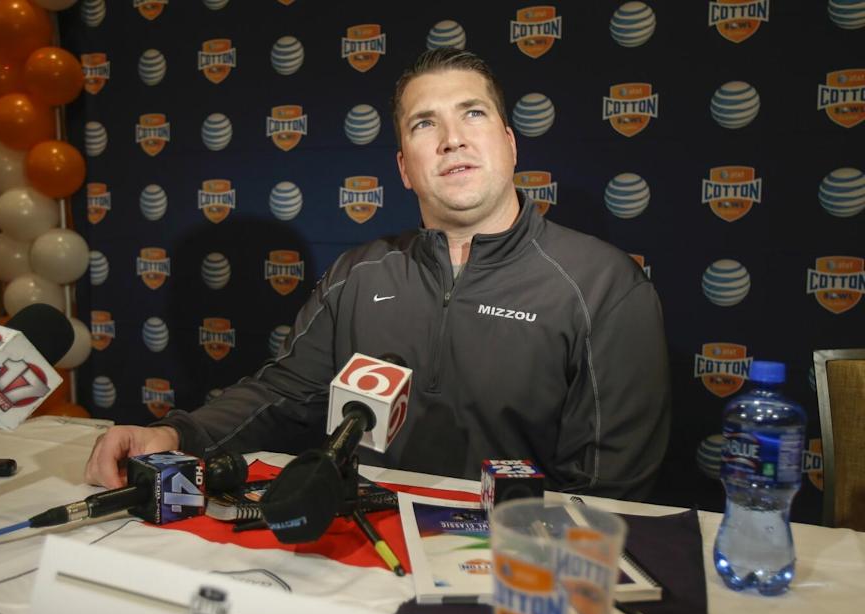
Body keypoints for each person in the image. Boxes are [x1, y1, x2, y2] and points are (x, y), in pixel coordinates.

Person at [85, 49, 670, 500]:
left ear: (510, 144)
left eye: (473, 114)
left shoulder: (603, 287)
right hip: (363, 558)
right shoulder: (358, 275)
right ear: (404, 169)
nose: (451, 140)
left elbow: (607, 492)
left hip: (512, 574)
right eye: (423, 125)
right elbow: (283, 398)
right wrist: (174, 437)